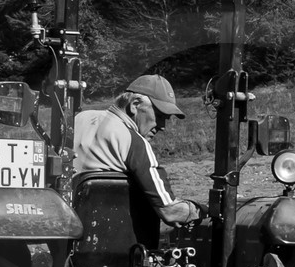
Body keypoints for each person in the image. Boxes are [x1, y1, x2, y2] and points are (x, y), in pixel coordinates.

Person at [71, 73, 202, 249]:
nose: (163, 126)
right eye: (160, 115)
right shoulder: (134, 142)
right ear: (135, 105)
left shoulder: (79, 119)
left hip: (69, 242)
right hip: (118, 250)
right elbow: (170, 212)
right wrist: (200, 211)